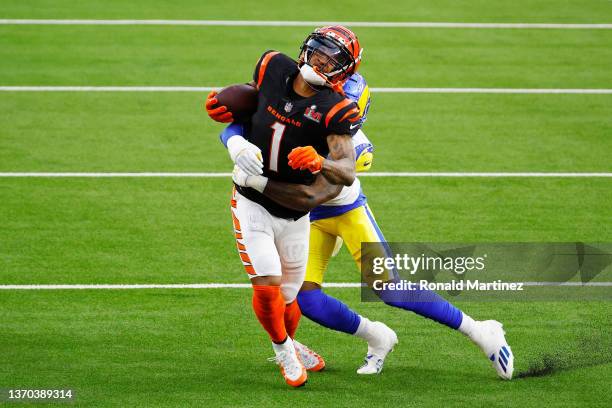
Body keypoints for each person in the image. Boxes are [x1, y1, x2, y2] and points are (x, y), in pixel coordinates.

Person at [206, 25, 364, 387]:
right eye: (318, 50)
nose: (321, 59)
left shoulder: (336, 109)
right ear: (306, 47)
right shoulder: (272, 67)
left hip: (294, 211)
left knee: (289, 296)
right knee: (266, 284)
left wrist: (320, 161)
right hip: (251, 205)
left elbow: (347, 171)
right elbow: (244, 115)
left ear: (344, 70)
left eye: (332, 57)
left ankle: (289, 339)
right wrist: (232, 140)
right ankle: (283, 352)